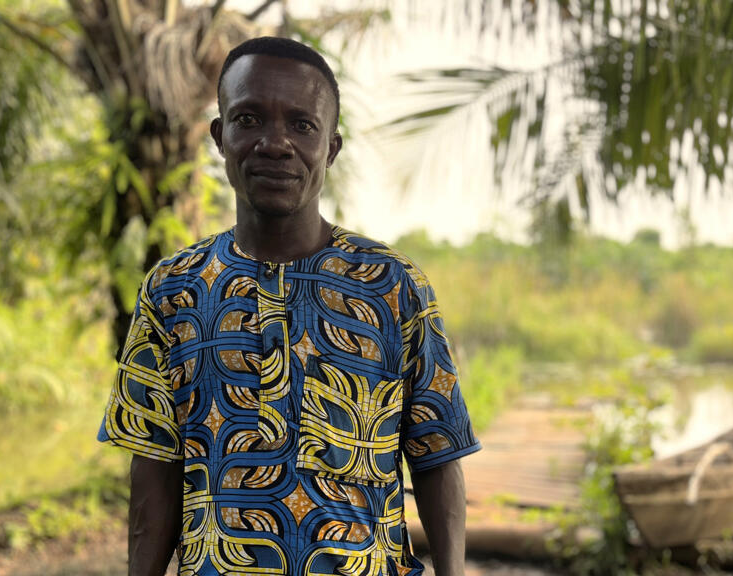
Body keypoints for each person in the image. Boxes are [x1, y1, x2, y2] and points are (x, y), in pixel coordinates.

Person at [98, 36, 480, 576]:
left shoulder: (392, 287)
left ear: (331, 148)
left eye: (302, 125)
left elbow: (437, 456)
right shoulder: (172, 289)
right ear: (219, 135)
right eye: (249, 119)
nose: (275, 144)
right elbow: (155, 472)